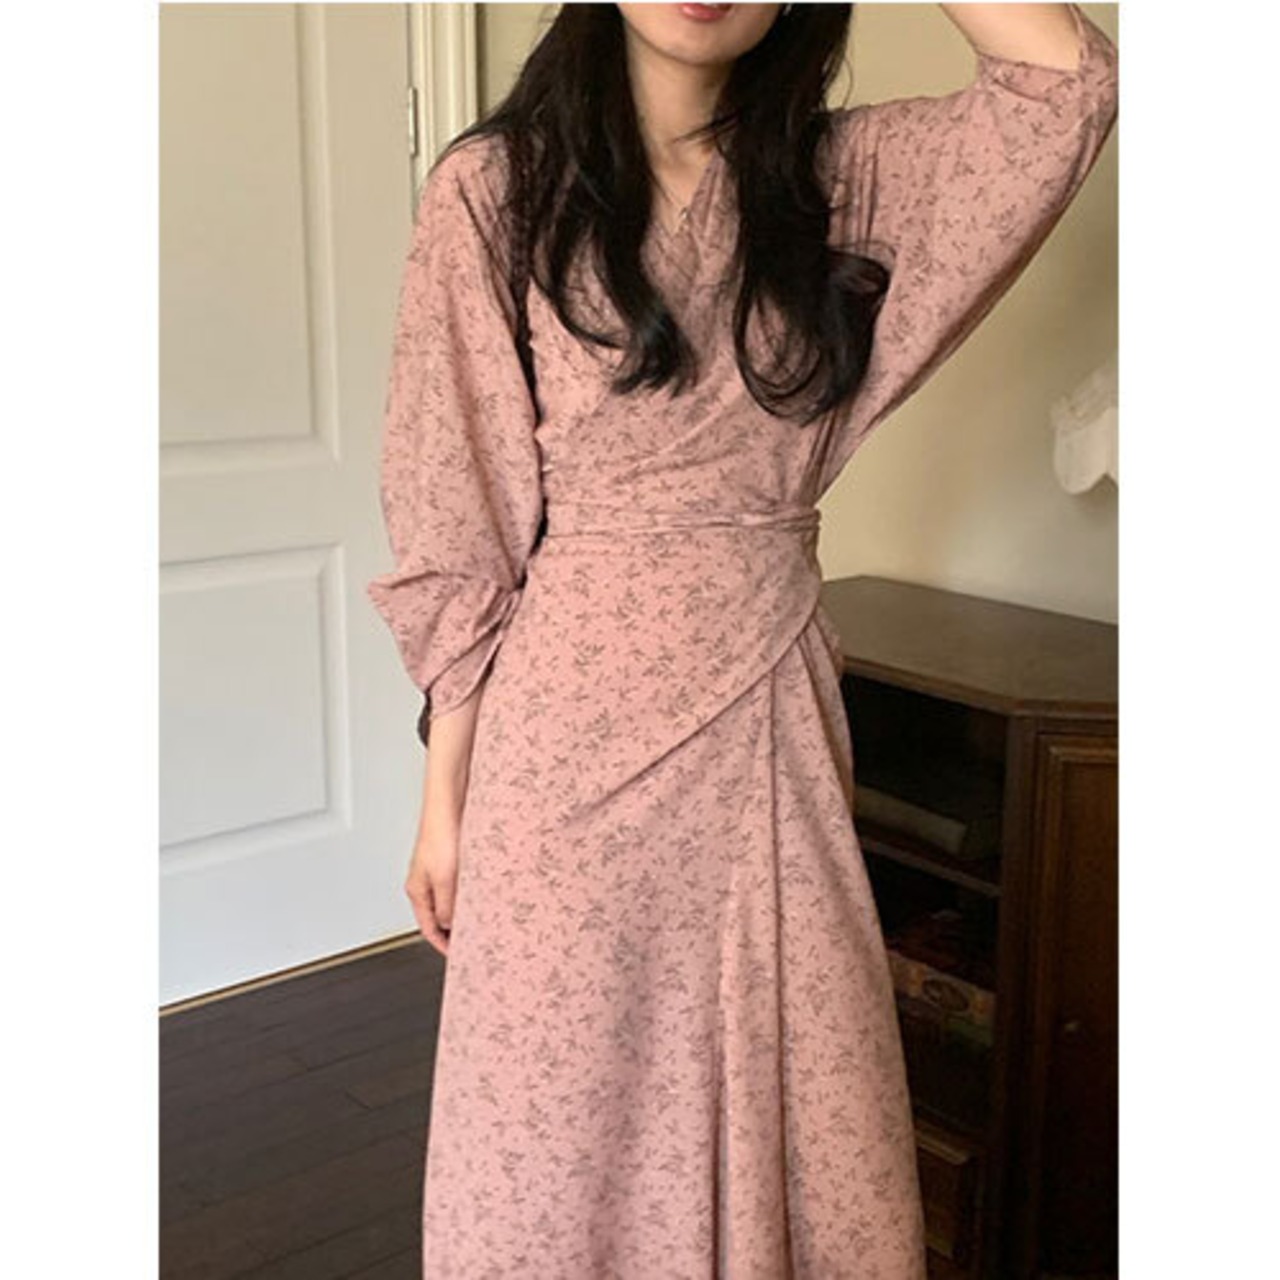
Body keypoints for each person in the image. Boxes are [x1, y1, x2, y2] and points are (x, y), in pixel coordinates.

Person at [367, 3, 1118, 1275]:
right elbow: (461, 514)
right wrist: (443, 802)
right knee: (558, 1122)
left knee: (802, 1089)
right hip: (564, 751)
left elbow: (1065, 83)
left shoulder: (842, 181)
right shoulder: (494, 192)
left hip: (765, 711)